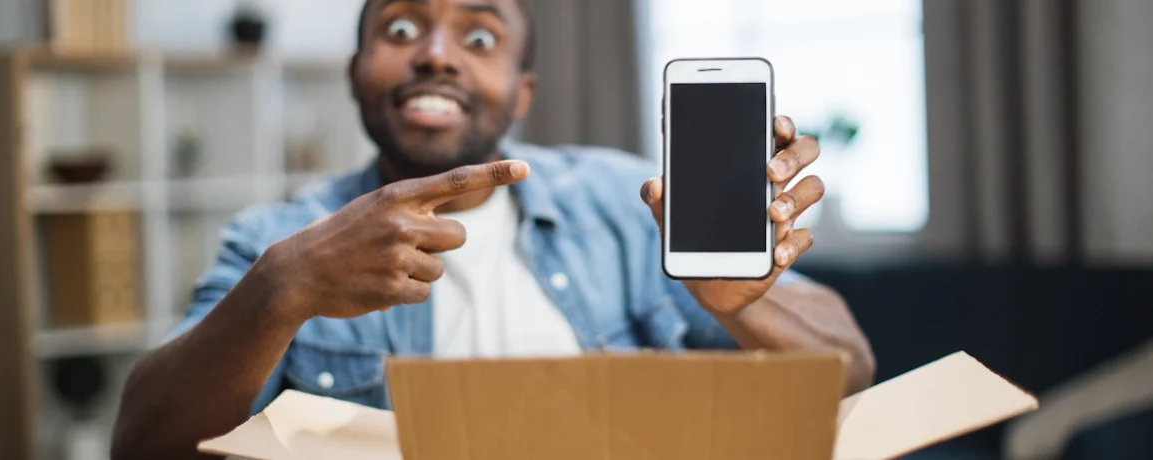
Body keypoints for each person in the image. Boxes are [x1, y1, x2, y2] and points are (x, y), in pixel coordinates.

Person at [111, 0, 875, 458]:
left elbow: (851, 370)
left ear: (522, 93)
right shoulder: (278, 239)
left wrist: (743, 306)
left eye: (478, 39)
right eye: (401, 27)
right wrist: (284, 288)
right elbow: (145, 446)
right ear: (355, 73)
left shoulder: (626, 201)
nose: (436, 55)